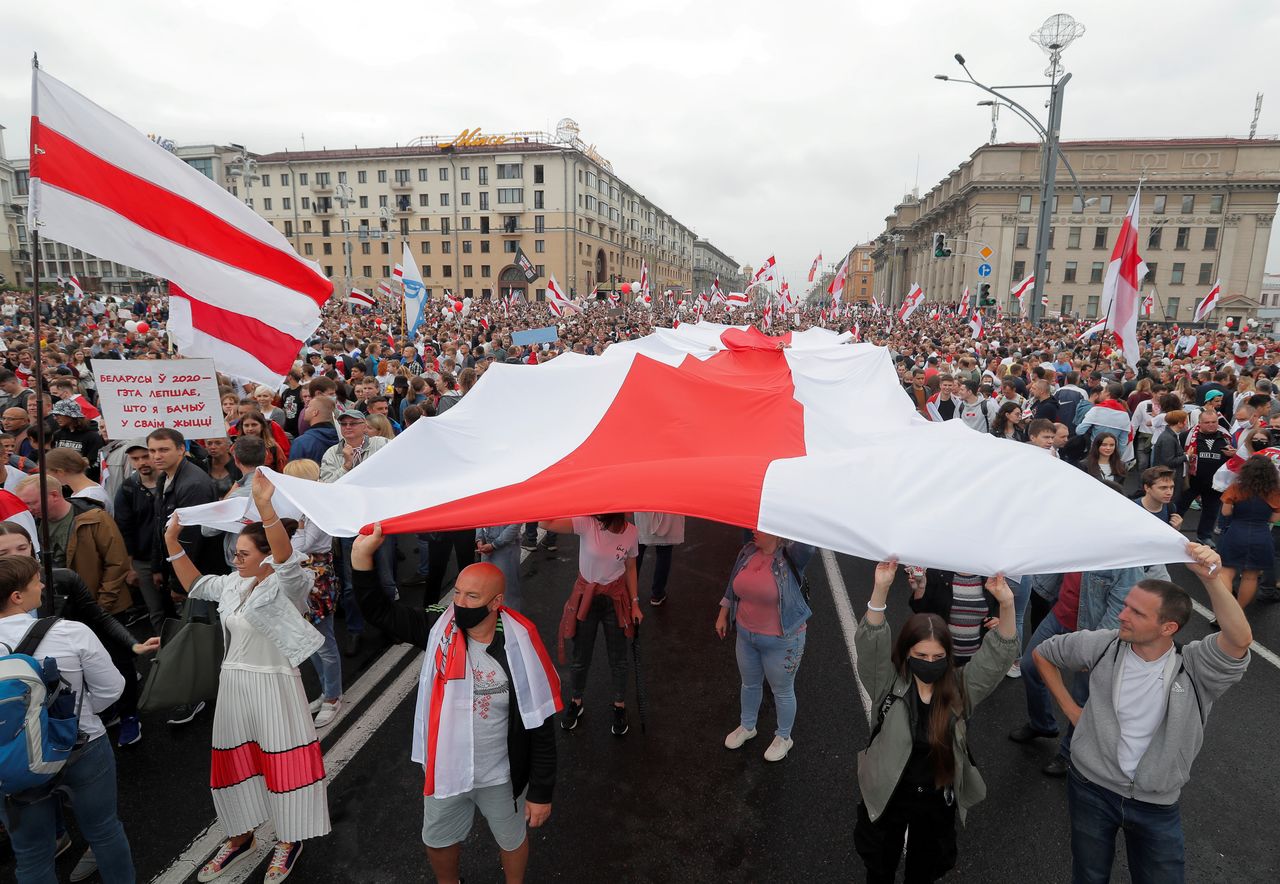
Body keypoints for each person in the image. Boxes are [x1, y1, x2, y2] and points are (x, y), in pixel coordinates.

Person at [351, 523, 558, 884]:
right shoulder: (438, 628)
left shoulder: (519, 648)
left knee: (511, 840)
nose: (458, 604)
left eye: (471, 597)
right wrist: (360, 557)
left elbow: (539, 724)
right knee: (437, 839)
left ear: (497, 603)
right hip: (447, 770)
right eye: (457, 592)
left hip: (500, 776)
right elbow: (379, 612)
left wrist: (541, 792)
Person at [1033, 543, 1251, 883]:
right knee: (1088, 876)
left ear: (1168, 628)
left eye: (1137, 612)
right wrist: (1070, 708)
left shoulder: (1194, 667)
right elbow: (1044, 654)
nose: (1122, 614)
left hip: (1156, 804)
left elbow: (1239, 641)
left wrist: (1211, 582)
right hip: (1090, 788)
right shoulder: (1104, 644)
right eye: (1127, 606)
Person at [163, 473, 328, 882]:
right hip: (234, 685)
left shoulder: (291, 584)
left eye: (242, 553)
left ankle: (289, 840)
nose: (236, 559)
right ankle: (240, 838)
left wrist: (266, 508)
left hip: (275, 685)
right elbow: (197, 585)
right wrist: (171, 543)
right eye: (234, 553)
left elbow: (287, 558)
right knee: (235, 764)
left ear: (265, 555)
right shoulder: (234, 584)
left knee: (282, 763)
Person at [853, 559, 1018, 883]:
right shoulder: (887, 683)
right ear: (906, 653)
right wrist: (881, 588)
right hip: (890, 795)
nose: (929, 663)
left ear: (948, 657)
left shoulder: (959, 690)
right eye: (921, 656)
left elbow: (998, 656)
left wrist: (1007, 604)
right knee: (879, 868)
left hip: (936, 799)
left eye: (937, 658)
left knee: (923, 872)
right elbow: (870, 642)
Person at [0, 556, 138, 884]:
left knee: (32, 854)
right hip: (82, 744)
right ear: (17, 596)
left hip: (14, 760)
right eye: (37, 581)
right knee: (104, 831)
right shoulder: (70, 633)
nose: (44, 586)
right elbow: (112, 689)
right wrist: (83, 709)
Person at [715, 529, 813, 762]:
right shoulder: (748, 551)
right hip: (746, 636)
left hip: (783, 640)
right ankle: (747, 726)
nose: (753, 530)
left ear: (777, 531)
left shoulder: (792, 557)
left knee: (782, 690)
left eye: (760, 527)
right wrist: (723, 613)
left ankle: (784, 737)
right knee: (749, 684)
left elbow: (808, 544)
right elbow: (732, 585)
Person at [543, 513, 640, 737]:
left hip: (615, 598)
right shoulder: (587, 523)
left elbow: (631, 567)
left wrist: (635, 603)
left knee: (619, 658)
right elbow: (545, 523)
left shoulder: (632, 532)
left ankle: (619, 705)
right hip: (586, 597)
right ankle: (576, 701)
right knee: (580, 656)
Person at [281, 459, 343, 729]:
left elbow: (301, 546)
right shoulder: (303, 507)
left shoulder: (313, 509)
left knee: (324, 641)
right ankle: (326, 691)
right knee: (310, 640)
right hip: (305, 575)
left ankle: (332, 696)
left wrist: (297, 527)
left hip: (317, 577)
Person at [16, 475, 131, 616]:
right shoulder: (34, 525)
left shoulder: (95, 518)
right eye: (24, 504)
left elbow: (117, 563)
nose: (28, 509)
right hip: (63, 608)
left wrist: (101, 606)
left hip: (103, 608)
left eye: (32, 503)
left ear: (54, 495)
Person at [1217, 454, 1280, 609]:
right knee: (1250, 577)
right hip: (1261, 535)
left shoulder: (1236, 488)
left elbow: (1225, 512)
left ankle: (1226, 610)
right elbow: (1273, 519)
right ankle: (1238, 611)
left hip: (1236, 532)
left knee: (1226, 572)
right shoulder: (1275, 492)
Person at [906, 566, 1000, 666]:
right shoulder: (937, 572)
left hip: (976, 659)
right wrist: (920, 588)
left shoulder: (990, 578)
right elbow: (920, 611)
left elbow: (996, 608)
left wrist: (997, 620)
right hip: (939, 657)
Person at [114, 442, 163, 632]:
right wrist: (129, 566)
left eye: (145, 456)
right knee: (156, 610)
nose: (141, 462)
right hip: (143, 560)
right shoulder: (127, 488)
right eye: (135, 459)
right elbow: (124, 529)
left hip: (171, 556)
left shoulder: (170, 482)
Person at [1177, 410, 1235, 545]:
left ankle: (1204, 536)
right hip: (1191, 481)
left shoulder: (1226, 437)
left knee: (1211, 511)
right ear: (1199, 423)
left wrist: (1234, 454)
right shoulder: (1186, 436)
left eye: (1214, 422)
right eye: (1207, 422)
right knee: (1179, 508)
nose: (1211, 425)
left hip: (1214, 484)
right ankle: (1170, 532)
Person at [634, 512, 684, 606]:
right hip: (667, 513)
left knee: (637, 552)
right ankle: (657, 593)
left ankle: (630, 591)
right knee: (664, 552)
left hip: (645, 510)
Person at [43, 447, 111, 514]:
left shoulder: (88, 496)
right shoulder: (83, 492)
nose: (47, 477)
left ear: (60, 472)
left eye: (48, 473)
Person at [49, 399, 103, 479]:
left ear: (71, 415)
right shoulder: (58, 435)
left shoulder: (92, 437)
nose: (56, 418)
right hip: (61, 481)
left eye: (59, 414)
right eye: (55, 415)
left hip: (83, 482)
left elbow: (95, 464)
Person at [476, 523, 523, 611]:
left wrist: (494, 545)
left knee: (507, 591)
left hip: (507, 548)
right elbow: (479, 515)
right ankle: (492, 618)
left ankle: (510, 620)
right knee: (487, 588)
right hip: (487, 545)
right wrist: (479, 539)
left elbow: (516, 524)